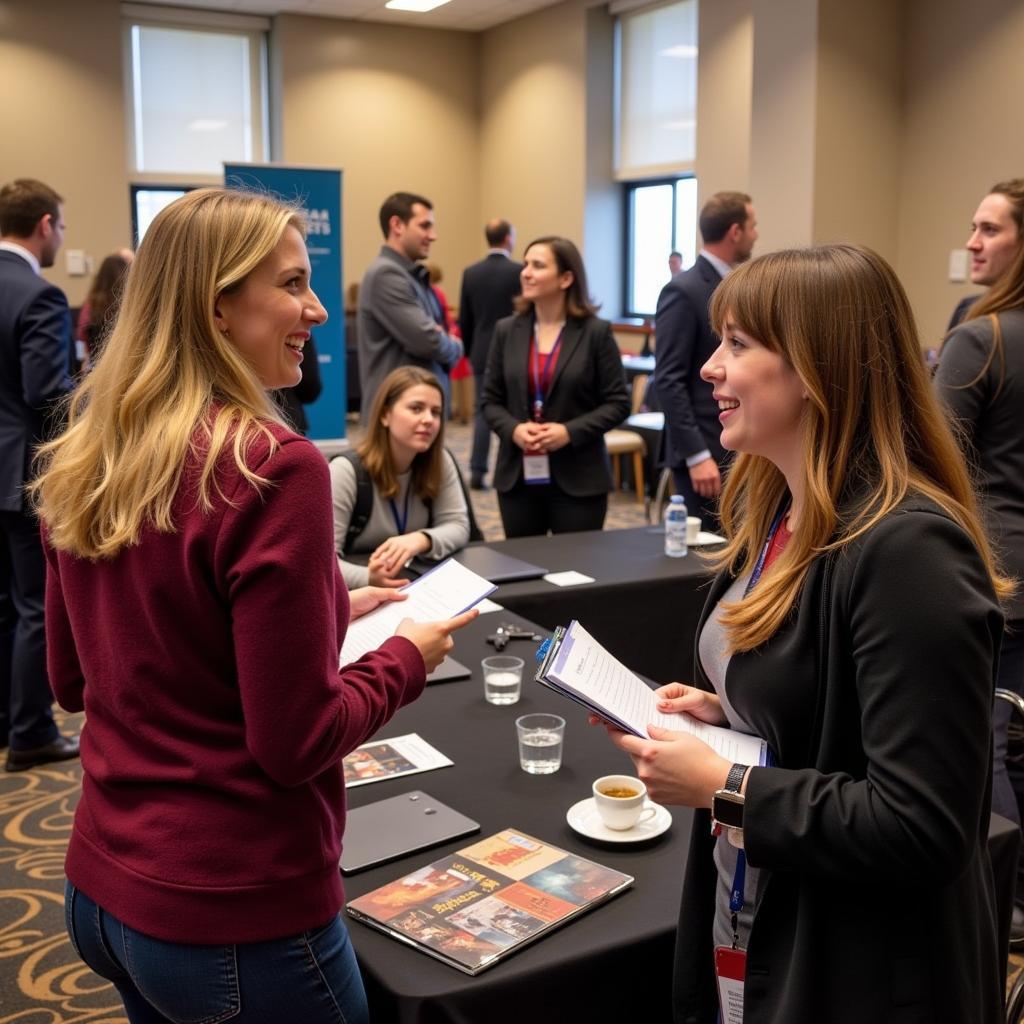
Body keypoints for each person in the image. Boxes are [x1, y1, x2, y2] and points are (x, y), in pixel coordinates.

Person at [31, 188, 476, 1023]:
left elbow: (80, 675)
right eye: (293, 284)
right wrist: (405, 656)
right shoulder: (276, 464)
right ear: (219, 307)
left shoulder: (92, 448)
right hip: (233, 915)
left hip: (102, 888)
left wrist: (335, 613)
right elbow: (295, 740)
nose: (315, 309)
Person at [600, 244, 1007, 1022]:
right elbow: (828, 701)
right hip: (762, 911)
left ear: (817, 368)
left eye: (739, 345)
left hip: (857, 967)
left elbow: (924, 825)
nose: (709, 368)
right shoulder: (783, 513)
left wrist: (724, 785)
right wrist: (736, 711)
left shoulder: (909, 551)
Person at [935, 177, 1024, 942]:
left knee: (987, 747)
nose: (972, 242)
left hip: (995, 574)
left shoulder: (981, 336)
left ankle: (1000, 907)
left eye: (990, 229)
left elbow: (935, 461)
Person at [0, 177, 77, 771]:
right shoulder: (39, 295)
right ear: (45, 224)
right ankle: (29, 732)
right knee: (33, 606)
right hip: (19, 475)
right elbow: (48, 395)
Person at [481, 236, 630, 537]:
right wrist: (514, 430)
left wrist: (568, 432)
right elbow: (489, 401)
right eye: (525, 264)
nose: (526, 272)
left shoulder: (595, 333)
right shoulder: (507, 330)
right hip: (517, 477)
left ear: (566, 278)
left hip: (579, 478)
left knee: (576, 574)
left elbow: (618, 403)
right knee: (523, 573)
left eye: (537, 265)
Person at [654, 191, 758, 530]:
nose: (757, 234)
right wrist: (696, 456)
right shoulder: (683, 289)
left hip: (739, 445)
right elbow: (669, 380)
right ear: (735, 231)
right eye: (753, 226)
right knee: (704, 562)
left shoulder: (742, 287)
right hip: (704, 451)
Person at [330, 366, 471, 590]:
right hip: (357, 596)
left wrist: (420, 539)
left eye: (435, 412)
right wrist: (368, 578)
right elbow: (322, 562)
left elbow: (458, 526)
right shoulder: (345, 472)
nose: (428, 420)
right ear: (385, 415)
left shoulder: (439, 460)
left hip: (415, 588)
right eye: (416, 408)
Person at [357, 192, 462, 422]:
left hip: (418, 417)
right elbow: (429, 341)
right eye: (425, 226)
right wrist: (454, 345)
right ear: (397, 225)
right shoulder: (386, 274)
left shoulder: (414, 276)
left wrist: (442, 338)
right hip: (395, 422)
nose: (433, 236)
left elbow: (436, 335)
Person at [458, 219, 523, 489]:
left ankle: (477, 470)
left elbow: (465, 319)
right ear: (508, 238)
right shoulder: (519, 271)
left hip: (481, 351)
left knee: (483, 412)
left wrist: (473, 349)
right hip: (515, 351)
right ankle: (514, 470)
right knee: (517, 413)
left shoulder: (471, 272)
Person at [76, 250, 132, 369]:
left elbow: (81, 339)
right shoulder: (129, 306)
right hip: (125, 367)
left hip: (96, 368)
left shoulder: (89, 306)